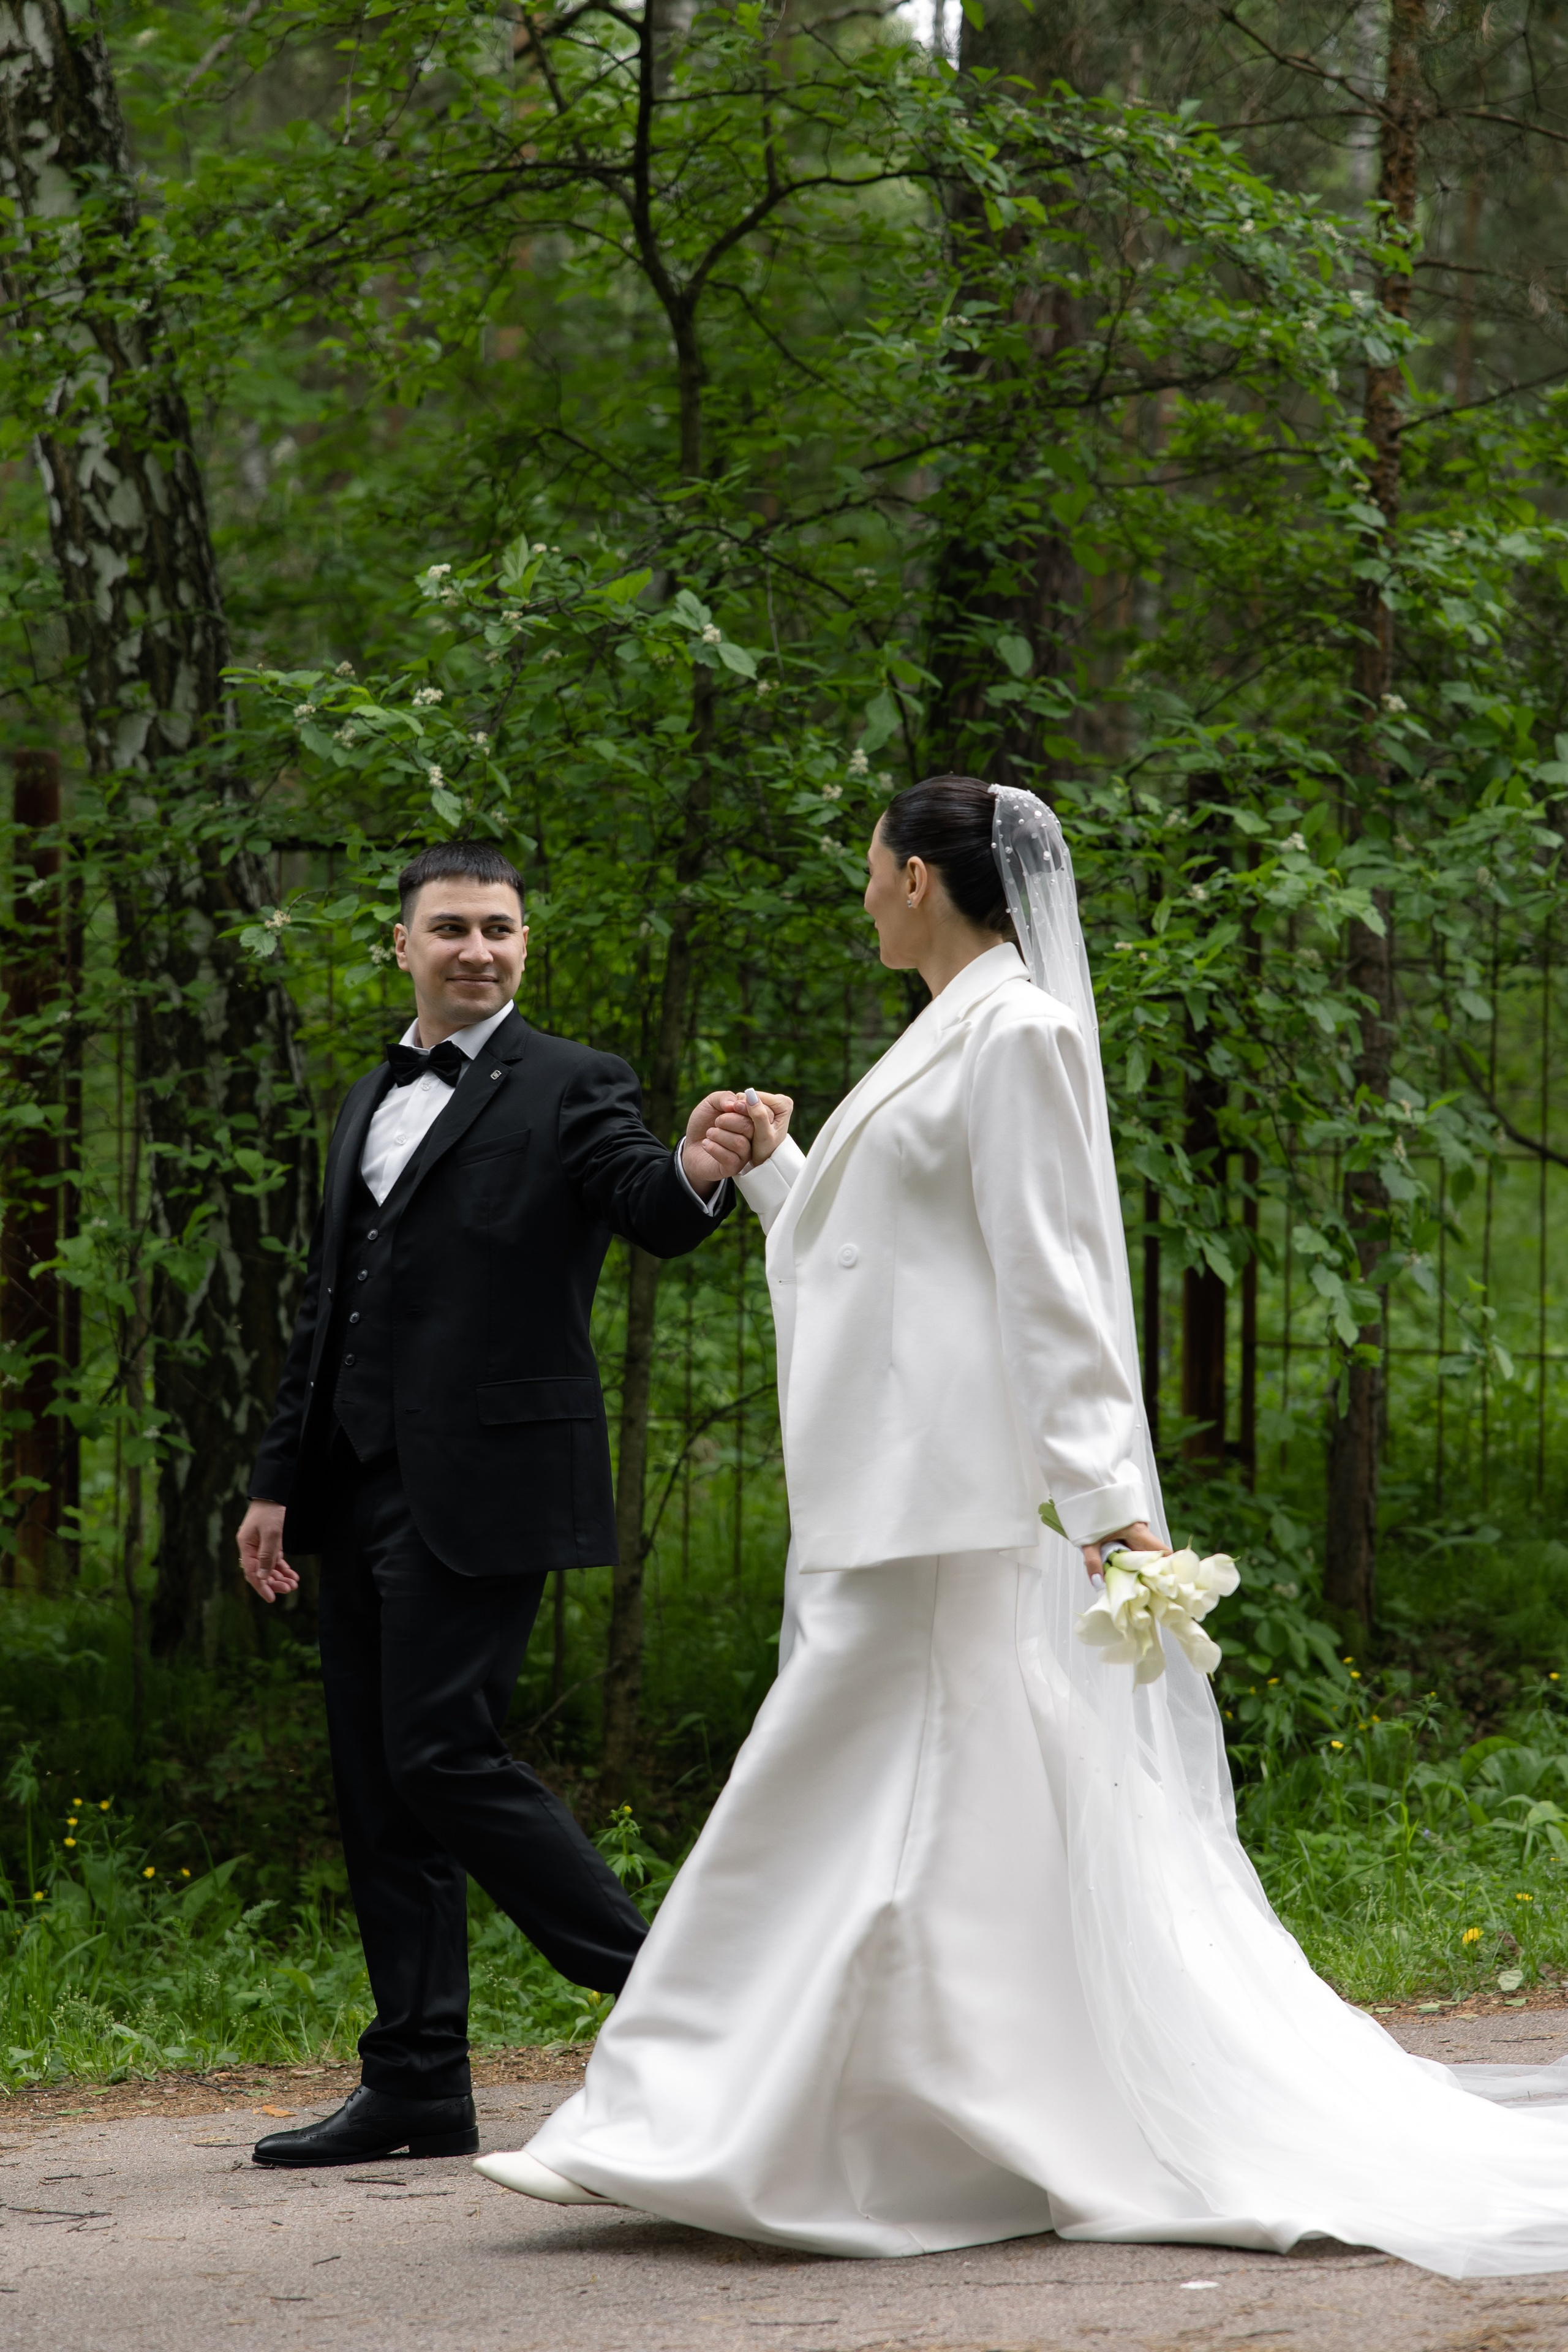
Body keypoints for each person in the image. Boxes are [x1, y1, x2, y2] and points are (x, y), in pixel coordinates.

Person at [475, 779, 1568, 2278]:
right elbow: (894, 1258)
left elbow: (1051, 1279)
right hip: (899, 1496)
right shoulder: (948, 1029)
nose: (860, 896)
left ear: (919, 877)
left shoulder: (1022, 1034)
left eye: (869, 872)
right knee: (921, 1811)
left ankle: (717, 2119)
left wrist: (1110, 1511)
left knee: (825, 1788)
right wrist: (781, 1170)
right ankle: (870, 2115)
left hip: (961, 1503)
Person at [235, 840, 753, 2168]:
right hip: (352, 1491)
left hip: (486, 1481)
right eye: (451, 927)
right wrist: (277, 1483)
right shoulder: (368, 1096)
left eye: (500, 929)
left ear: (526, 947)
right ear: (400, 945)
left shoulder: (574, 1083)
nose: (477, 948)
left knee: (440, 1753)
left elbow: (649, 1206)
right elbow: (328, 1307)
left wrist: (696, 1164)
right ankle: (414, 2082)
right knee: (377, 1789)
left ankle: (678, 1997)